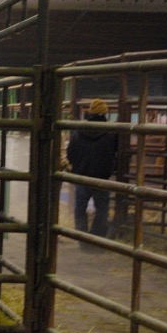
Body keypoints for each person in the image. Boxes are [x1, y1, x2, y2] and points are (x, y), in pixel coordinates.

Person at [66, 98, 118, 239]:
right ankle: (97, 237)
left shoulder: (79, 131)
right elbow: (118, 153)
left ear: (90, 112)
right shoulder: (111, 132)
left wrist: (77, 165)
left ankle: (81, 237)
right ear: (105, 112)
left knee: (80, 207)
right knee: (102, 208)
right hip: (101, 176)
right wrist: (112, 167)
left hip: (82, 175)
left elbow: (70, 153)